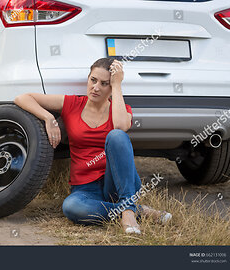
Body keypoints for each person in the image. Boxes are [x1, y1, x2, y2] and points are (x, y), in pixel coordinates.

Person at [14, 58, 171, 234]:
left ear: (111, 88)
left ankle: (127, 206)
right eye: (93, 80)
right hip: (85, 188)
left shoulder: (122, 109)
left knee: (117, 136)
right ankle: (135, 211)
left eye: (105, 84)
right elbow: (22, 98)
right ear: (88, 79)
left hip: (118, 183)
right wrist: (48, 118)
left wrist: (117, 84)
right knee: (72, 206)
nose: (96, 88)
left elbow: (120, 127)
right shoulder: (72, 104)